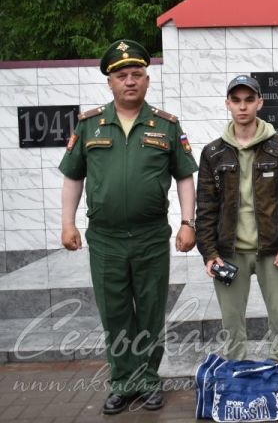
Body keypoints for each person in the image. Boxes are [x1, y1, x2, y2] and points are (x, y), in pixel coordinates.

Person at [59, 39, 198, 414]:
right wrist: (67, 223)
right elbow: (73, 176)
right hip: (105, 239)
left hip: (152, 236)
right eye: (122, 76)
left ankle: (149, 381)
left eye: (137, 74)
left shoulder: (165, 126)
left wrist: (188, 222)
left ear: (148, 81)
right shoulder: (89, 125)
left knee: (151, 309)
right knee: (115, 311)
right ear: (110, 83)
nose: (130, 81)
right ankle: (123, 382)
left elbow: (184, 176)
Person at [196, 75, 278, 362]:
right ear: (227, 104)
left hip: (272, 250)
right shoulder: (213, 152)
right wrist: (209, 252)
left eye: (248, 100)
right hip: (229, 252)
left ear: (260, 102)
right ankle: (235, 373)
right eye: (236, 100)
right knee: (231, 323)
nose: (242, 106)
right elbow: (206, 208)